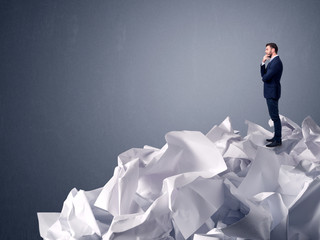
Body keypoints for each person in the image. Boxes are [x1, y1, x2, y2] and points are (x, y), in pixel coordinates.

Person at [260, 43, 283, 147]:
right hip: (270, 92)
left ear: (273, 50)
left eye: (267, 49)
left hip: (272, 92)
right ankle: (276, 137)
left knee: (275, 117)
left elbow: (265, 78)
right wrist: (263, 63)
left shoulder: (276, 63)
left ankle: (278, 140)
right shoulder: (272, 62)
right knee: (274, 116)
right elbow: (263, 75)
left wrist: (264, 76)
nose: (265, 51)